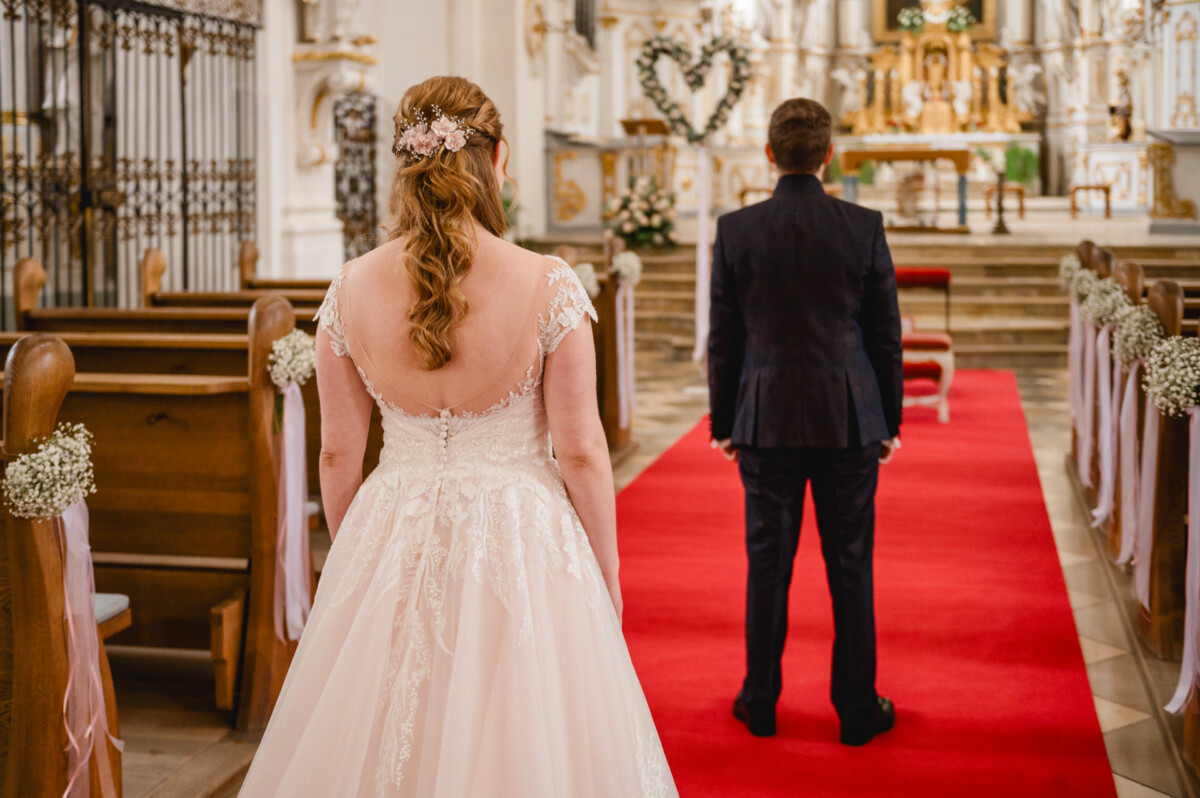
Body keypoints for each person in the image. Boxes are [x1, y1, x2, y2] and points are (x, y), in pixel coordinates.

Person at [240, 76, 677, 797]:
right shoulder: (550, 282)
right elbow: (581, 451)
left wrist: (358, 559)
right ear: (498, 158)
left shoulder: (348, 287)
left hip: (392, 523)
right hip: (522, 541)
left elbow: (337, 452)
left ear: (404, 163)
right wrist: (608, 574)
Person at [707, 98, 903, 746]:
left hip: (764, 420)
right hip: (848, 420)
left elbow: (724, 335)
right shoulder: (863, 224)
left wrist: (724, 422)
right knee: (852, 564)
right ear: (830, 156)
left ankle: (759, 700)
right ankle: (855, 709)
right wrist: (891, 419)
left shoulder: (737, 229)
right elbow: (885, 334)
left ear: (769, 155)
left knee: (768, 564)